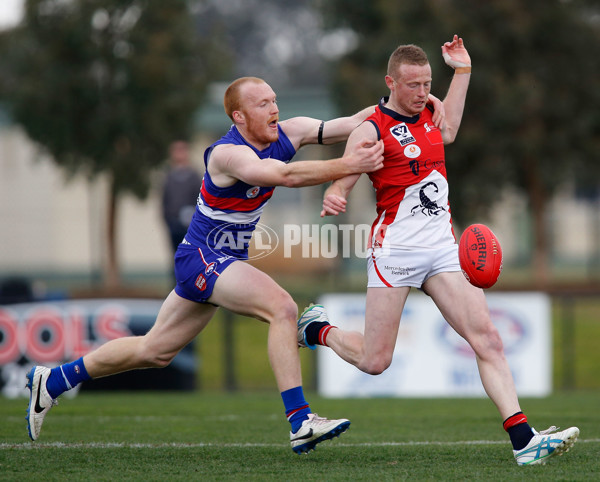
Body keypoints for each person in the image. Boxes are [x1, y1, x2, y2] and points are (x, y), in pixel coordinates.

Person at [26, 76, 389, 454]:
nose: (274, 109)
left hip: (218, 260)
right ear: (239, 116)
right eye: (262, 104)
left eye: (274, 100)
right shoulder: (226, 154)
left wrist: (393, 105)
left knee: (154, 351)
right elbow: (283, 175)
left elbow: (356, 122)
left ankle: (53, 381)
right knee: (282, 308)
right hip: (203, 258)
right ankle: (300, 422)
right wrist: (348, 164)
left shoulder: (291, 131)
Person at [297, 36, 580, 466]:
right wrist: (335, 193)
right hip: (394, 252)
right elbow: (345, 174)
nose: (422, 93)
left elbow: (448, 131)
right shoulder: (370, 128)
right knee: (376, 362)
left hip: (441, 248)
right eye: (413, 85)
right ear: (391, 82)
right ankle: (318, 330)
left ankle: (524, 440)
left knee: (488, 339)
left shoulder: (431, 111)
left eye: (428, 83)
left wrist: (462, 72)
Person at [161, 140, 202, 255]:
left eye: (181, 150)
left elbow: (200, 199)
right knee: (176, 256)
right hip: (173, 225)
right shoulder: (169, 176)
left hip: (190, 226)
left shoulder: (194, 176)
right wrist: (168, 219)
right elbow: (165, 200)